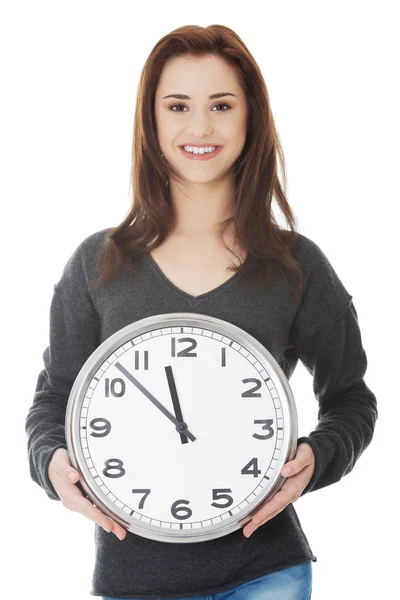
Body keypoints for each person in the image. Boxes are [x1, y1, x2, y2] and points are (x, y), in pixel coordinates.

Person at [25, 24, 378, 600]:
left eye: (220, 104)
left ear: (250, 117)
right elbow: (53, 400)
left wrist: (317, 457)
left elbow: (351, 401)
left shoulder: (297, 265)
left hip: (268, 573)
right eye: (178, 105)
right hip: (133, 579)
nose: (199, 126)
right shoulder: (99, 263)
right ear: (153, 121)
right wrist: (51, 463)